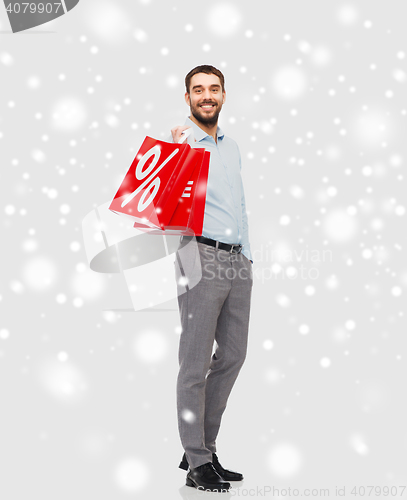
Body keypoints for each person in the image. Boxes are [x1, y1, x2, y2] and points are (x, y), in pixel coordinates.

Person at [170, 65, 253, 492]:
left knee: (234, 354)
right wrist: (171, 150)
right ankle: (197, 459)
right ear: (187, 98)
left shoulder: (231, 146)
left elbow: (238, 203)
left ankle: (201, 448)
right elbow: (154, 200)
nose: (206, 95)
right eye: (197, 90)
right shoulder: (180, 144)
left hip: (238, 261)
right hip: (198, 254)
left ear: (224, 94)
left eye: (213, 88)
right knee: (195, 361)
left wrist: (249, 257)